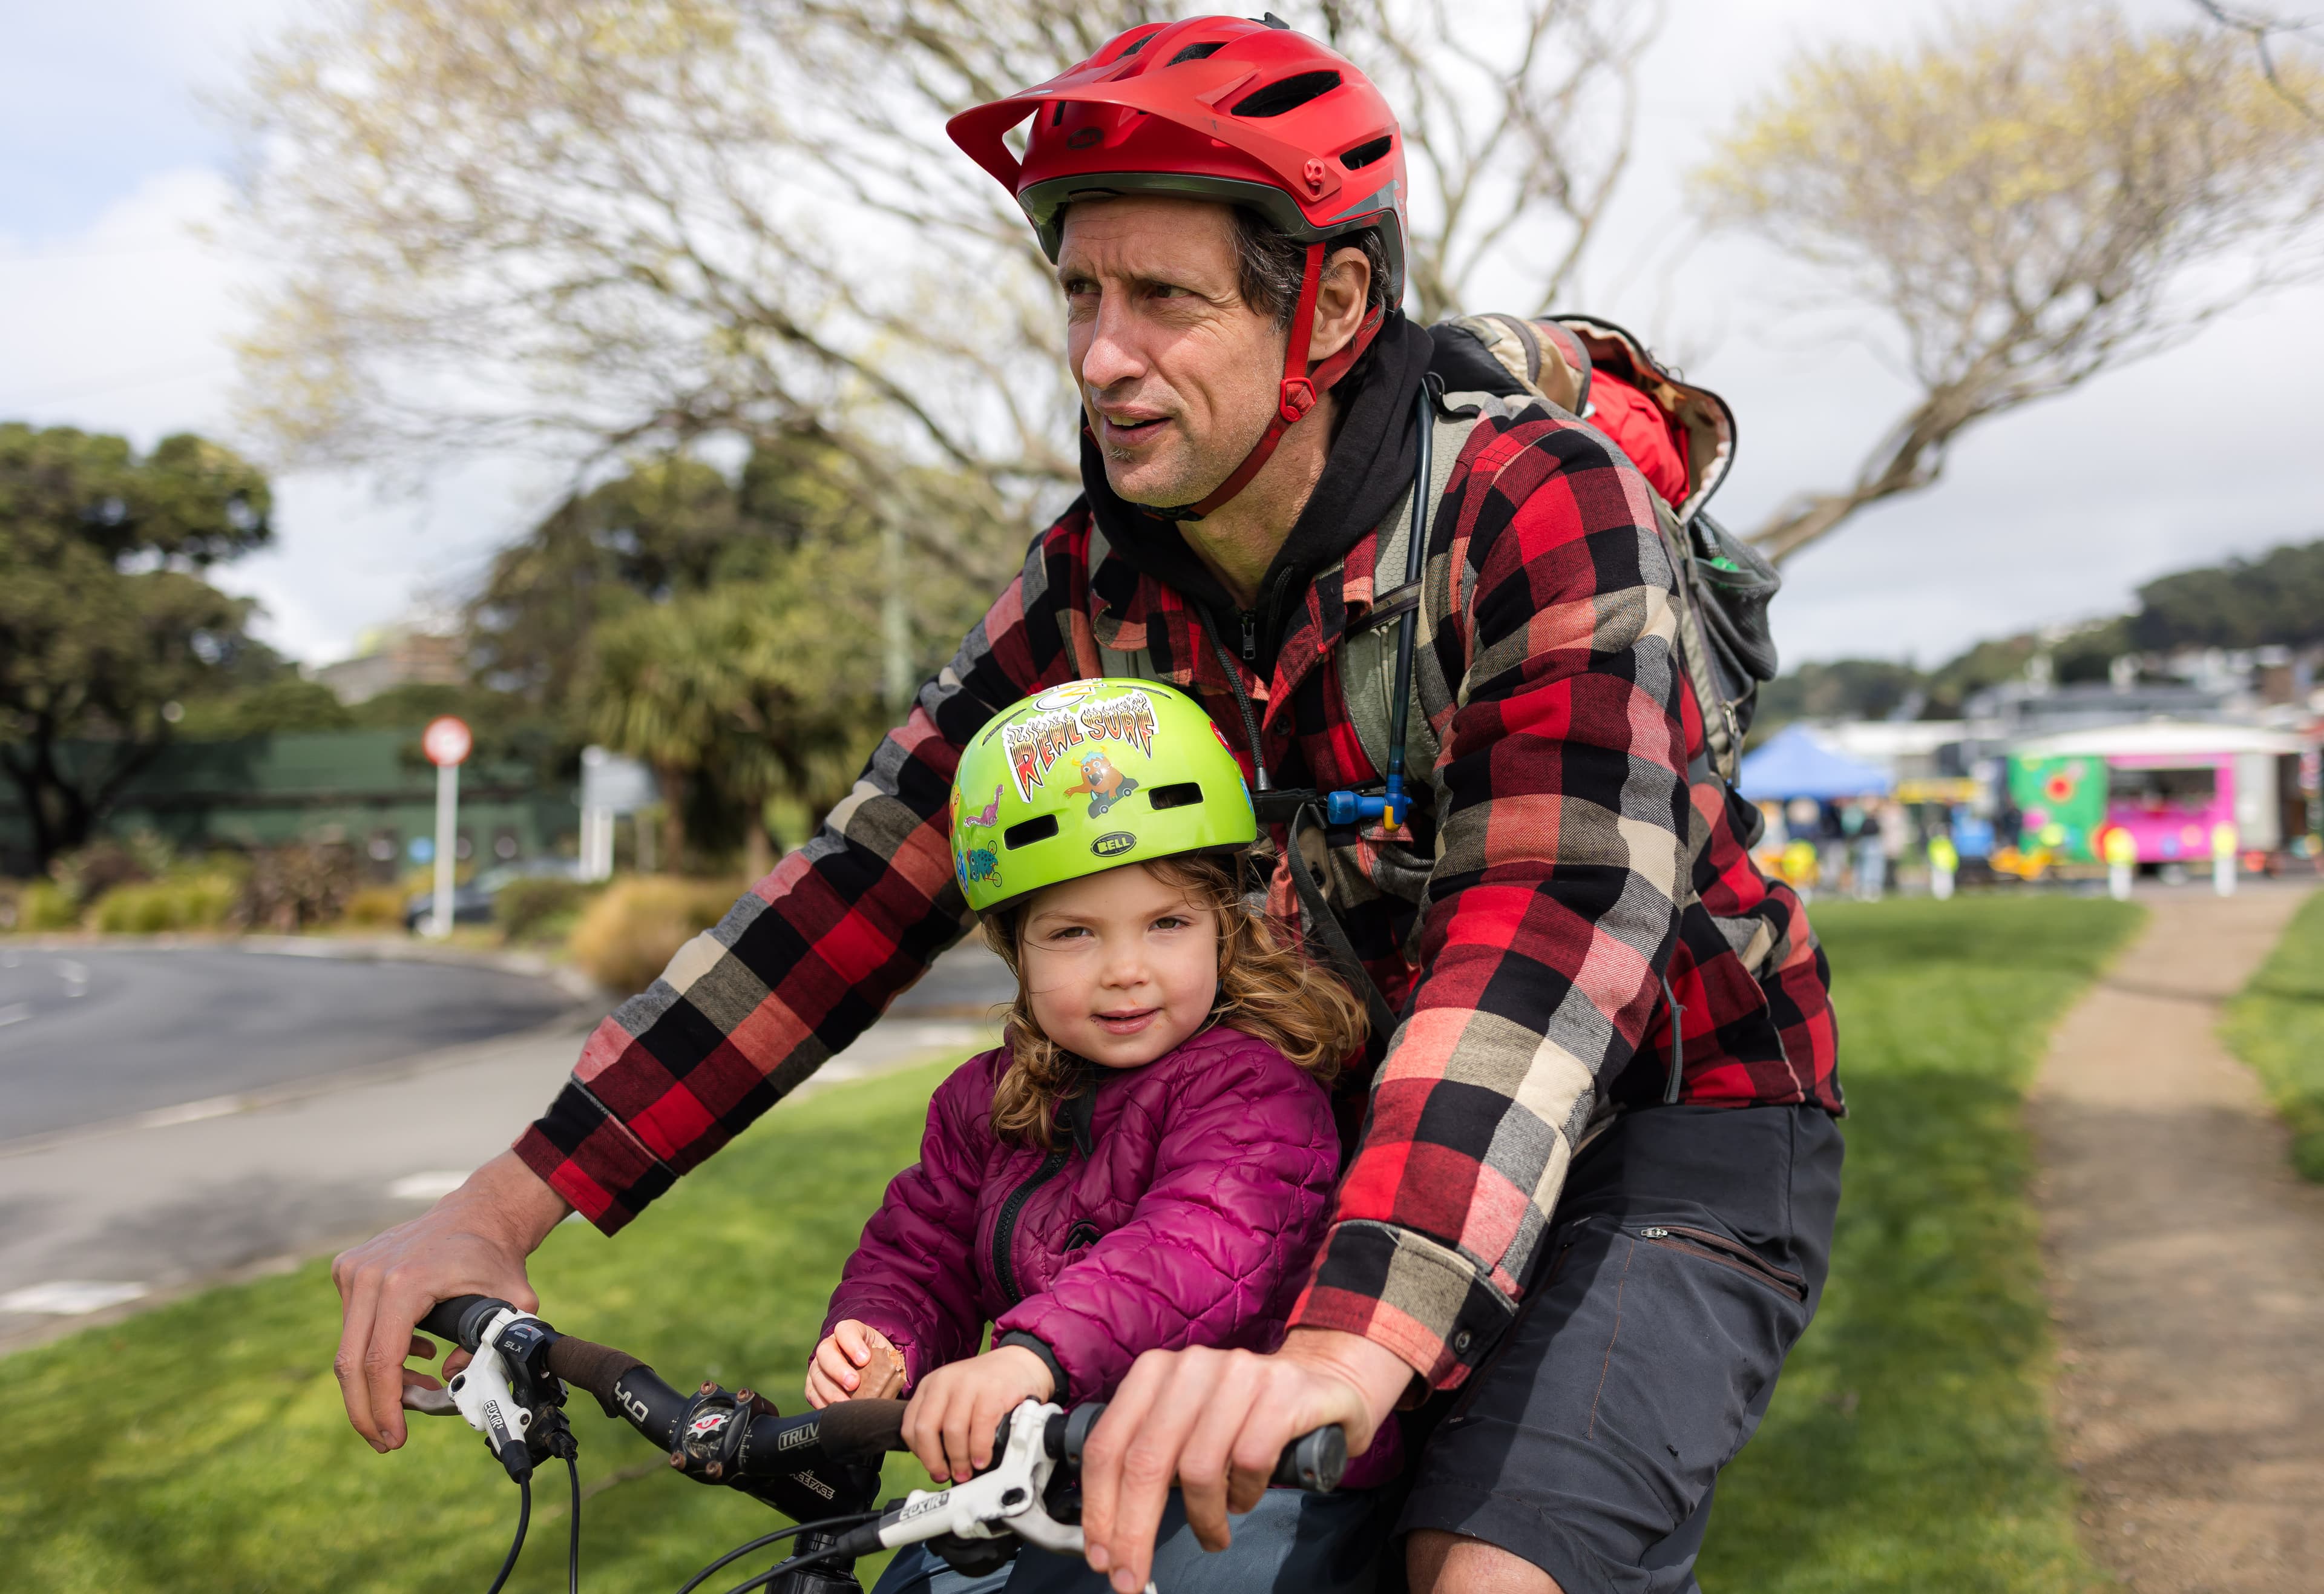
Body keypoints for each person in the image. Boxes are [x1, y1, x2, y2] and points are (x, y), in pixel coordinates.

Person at [332, 17, 1843, 1594]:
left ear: (1325, 304)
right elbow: (859, 882)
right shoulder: (1099, 571)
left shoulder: (1533, 506)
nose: (1101, 355)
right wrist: (505, 1205)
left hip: (1670, 1123)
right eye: (1079, 291)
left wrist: (1339, 1349)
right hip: (1353, 1131)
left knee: (1483, 1568)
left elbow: (1540, 938)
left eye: (1164, 299)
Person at [813, 680, 1390, 1592]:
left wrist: (1031, 1354)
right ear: (1017, 948)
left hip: (1247, 1480)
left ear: (1222, 930)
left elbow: (1195, 1250)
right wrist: (878, 1336)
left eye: (1167, 924)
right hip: (1065, 1470)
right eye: (1074, 933)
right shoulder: (987, 1099)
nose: (1126, 970)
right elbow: (922, 1246)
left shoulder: (1254, 1087)